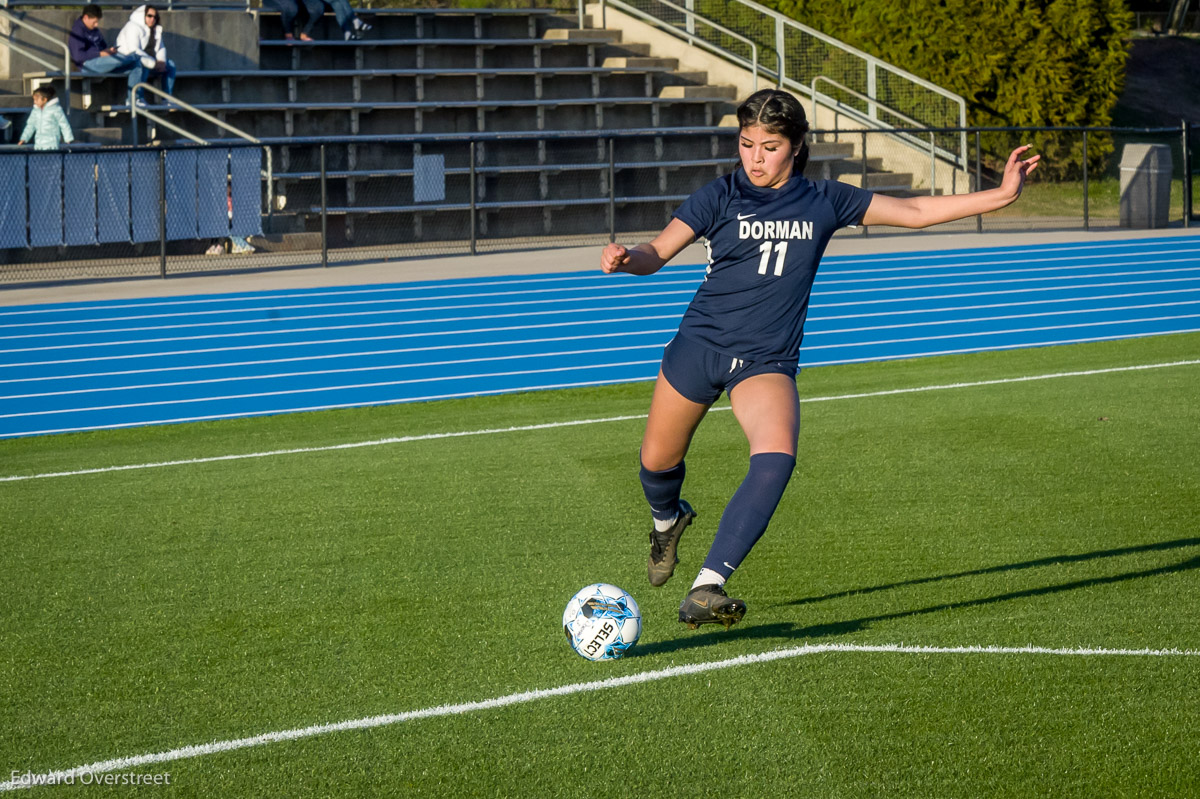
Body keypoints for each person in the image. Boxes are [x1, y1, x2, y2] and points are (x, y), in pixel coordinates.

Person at [600, 88, 1040, 630]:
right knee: (656, 464)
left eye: (769, 146)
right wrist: (626, 259)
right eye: (746, 144)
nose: (755, 158)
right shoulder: (719, 195)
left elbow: (918, 210)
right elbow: (657, 252)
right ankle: (668, 522)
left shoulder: (825, 200)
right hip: (698, 348)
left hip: (766, 359)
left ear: (797, 146)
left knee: (777, 454)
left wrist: (999, 195)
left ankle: (707, 584)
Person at [69, 4, 148, 100]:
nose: (96, 25)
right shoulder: (77, 31)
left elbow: (103, 46)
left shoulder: (94, 29)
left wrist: (109, 50)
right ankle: (135, 56)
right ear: (86, 17)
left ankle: (135, 100)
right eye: (95, 22)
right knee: (123, 59)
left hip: (102, 61)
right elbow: (78, 56)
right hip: (87, 65)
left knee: (136, 65)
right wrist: (100, 54)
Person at [116, 5, 176, 106]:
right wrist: (153, 63)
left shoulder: (156, 30)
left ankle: (167, 99)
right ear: (142, 15)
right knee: (142, 65)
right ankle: (136, 99)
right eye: (149, 16)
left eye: (155, 17)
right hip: (129, 61)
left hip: (151, 62)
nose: (152, 19)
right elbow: (134, 50)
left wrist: (161, 61)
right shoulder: (132, 27)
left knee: (170, 65)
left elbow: (161, 47)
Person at [18, 86, 74, 150]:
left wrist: (68, 139)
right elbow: (30, 125)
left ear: (44, 99)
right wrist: (24, 138)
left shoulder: (55, 109)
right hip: (38, 145)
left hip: (52, 145)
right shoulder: (35, 111)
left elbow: (64, 124)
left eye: (36, 100)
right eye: (34, 100)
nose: (34, 102)